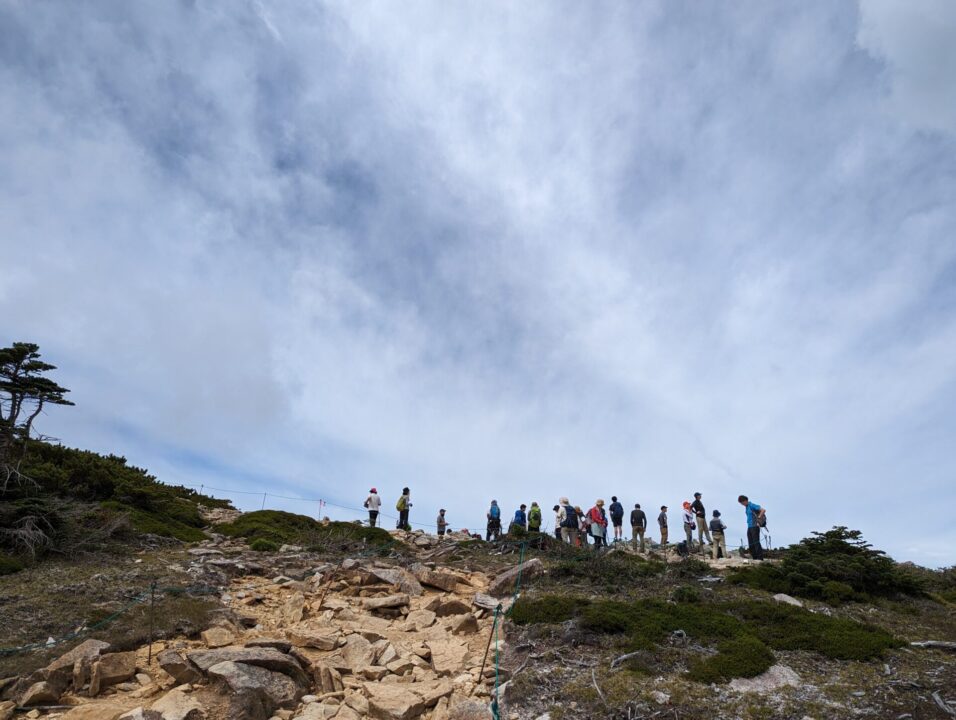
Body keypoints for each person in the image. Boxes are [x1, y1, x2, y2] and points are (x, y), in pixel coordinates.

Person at [738, 495, 766, 560]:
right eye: (741, 503)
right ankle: (754, 557)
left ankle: (760, 558)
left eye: (742, 503)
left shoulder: (751, 505)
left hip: (755, 526)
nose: (742, 504)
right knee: (751, 544)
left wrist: (758, 518)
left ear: (745, 501)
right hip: (749, 527)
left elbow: (763, 510)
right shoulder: (747, 507)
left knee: (756, 542)